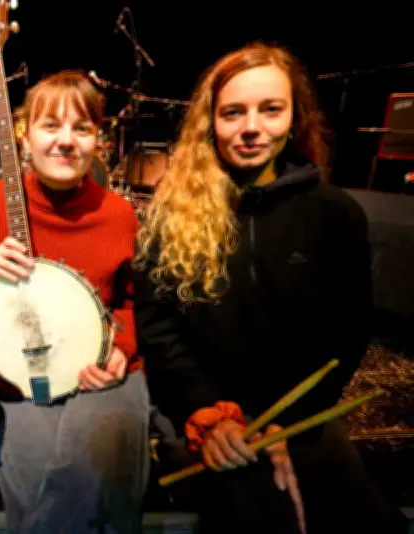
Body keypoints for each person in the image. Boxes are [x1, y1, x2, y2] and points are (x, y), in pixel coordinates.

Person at [133, 41, 408, 534]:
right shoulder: (168, 219)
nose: (252, 127)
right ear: (210, 123)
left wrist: (292, 422)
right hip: (204, 418)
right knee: (259, 510)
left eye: (270, 109)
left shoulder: (335, 214)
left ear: (293, 117)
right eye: (233, 112)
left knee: (364, 519)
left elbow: (346, 333)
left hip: (302, 415)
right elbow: (160, 334)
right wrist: (209, 417)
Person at [0, 71, 151, 533]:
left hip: (98, 369)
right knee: (38, 475)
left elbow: (132, 299)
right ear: (24, 135)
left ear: (98, 139)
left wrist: (123, 347)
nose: (66, 141)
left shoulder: (118, 214)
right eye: (50, 126)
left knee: (107, 470)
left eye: (82, 128)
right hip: (19, 371)